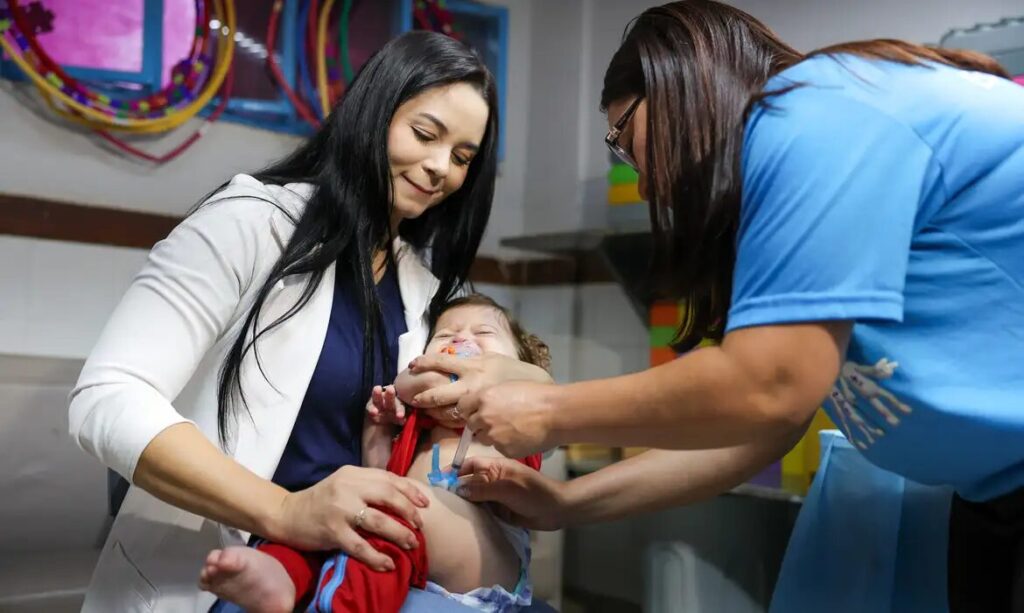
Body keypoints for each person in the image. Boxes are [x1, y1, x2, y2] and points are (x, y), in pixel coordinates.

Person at [407, 2, 1024, 610]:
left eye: (624, 140)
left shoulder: (816, 113)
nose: (643, 183)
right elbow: (763, 426)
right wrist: (566, 504)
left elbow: (768, 387)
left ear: (677, 83)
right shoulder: (809, 142)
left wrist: (549, 409)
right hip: (988, 497)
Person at [68, 31, 549, 612]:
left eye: (463, 158)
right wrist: (285, 511)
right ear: (373, 114)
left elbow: (496, 408)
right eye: (425, 135)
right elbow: (108, 397)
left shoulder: (431, 294)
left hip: (357, 576)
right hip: (227, 570)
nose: (439, 167)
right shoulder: (250, 224)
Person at [199, 294, 550, 612]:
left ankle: (347, 606)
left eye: (483, 333)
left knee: (399, 509)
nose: (460, 339)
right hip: (410, 555)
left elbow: (544, 413)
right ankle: (281, 573)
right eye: (445, 335)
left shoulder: (514, 420)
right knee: (334, 516)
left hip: (484, 560)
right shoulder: (416, 426)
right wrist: (378, 431)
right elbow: (382, 473)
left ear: (521, 364)